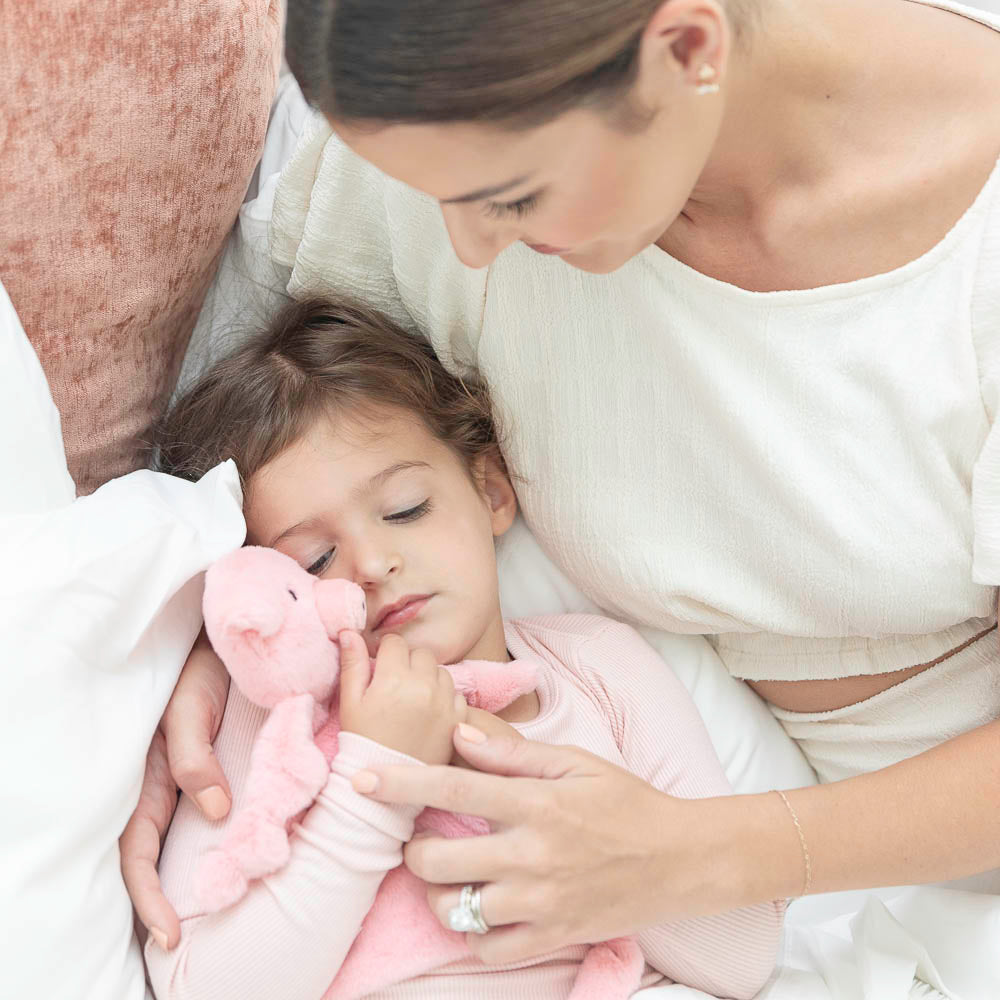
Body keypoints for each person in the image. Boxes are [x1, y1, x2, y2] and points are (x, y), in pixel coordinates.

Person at [123, 0, 1000, 966]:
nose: (466, 249)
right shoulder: (449, 115)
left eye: (511, 195)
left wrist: (692, 858)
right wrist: (244, 642)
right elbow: (253, 435)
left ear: (687, 49)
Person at [142, 296, 784, 1000]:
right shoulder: (273, 721)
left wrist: (607, 852)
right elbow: (201, 985)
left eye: (406, 510)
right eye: (316, 558)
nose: (374, 563)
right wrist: (375, 782)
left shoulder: (604, 670)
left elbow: (745, 954)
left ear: (491, 491)